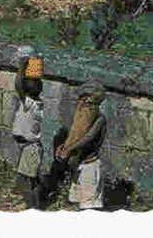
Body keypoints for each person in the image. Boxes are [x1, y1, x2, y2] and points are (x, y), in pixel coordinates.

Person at [54, 80, 107, 210]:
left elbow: (87, 138)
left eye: (87, 101)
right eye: (81, 100)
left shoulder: (100, 119)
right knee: (75, 201)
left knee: (88, 206)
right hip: (78, 165)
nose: (83, 104)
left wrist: (69, 149)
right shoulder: (80, 117)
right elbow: (74, 135)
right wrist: (63, 147)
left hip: (90, 166)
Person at [12, 46, 45, 208]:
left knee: (29, 180)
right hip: (28, 147)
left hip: (30, 148)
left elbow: (18, 85)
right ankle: (32, 204)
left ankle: (33, 207)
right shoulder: (36, 102)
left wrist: (21, 66)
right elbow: (24, 86)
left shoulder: (30, 103)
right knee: (30, 179)